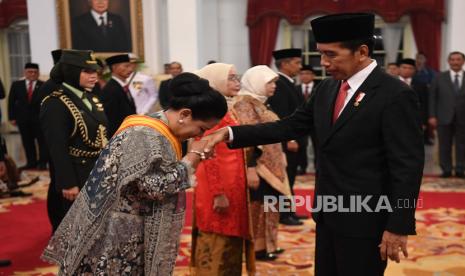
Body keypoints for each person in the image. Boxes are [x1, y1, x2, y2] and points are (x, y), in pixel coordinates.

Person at [203, 13, 424, 275]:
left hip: (367, 219)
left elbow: (407, 166)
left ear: (362, 52)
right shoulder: (327, 88)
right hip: (329, 213)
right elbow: (289, 126)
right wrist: (230, 133)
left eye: (331, 54)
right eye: (321, 54)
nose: (323, 63)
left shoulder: (395, 94)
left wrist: (398, 225)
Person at [42, 72, 228, 275]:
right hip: (116, 233)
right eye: (201, 128)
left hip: (132, 226)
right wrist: (192, 158)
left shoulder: (160, 128)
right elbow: (151, 188)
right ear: (184, 114)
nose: (200, 135)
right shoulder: (143, 134)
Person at [190, 63, 254, 275]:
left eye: (238, 77)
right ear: (215, 80)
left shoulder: (228, 108)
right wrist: (218, 193)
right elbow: (208, 157)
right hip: (218, 191)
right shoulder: (211, 112)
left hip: (233, 189)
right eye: (231, 78)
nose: (237, 82)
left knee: (230, 245)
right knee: (216, 243)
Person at [40, 50, 109, 229]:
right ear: (71, 71)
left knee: (97, 224)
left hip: (98, 170)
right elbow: (57, 147)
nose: (94, 76)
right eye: (87, 71)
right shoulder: (56, 103)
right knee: (78, 228)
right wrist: (67, 182)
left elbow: (102, 134)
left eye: (95, 72)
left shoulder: (91, 98)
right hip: (77, 173)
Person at [233, 65, 291, 261]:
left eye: (274, 82)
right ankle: (257, 248)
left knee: (271, 205)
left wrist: (280, 154)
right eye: (270, 82)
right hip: (258, 166)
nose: (274, 86)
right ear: (256, 82)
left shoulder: (261, 103)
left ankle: (269, 245)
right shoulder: (244, 104)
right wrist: (250, 168)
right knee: (259, 206)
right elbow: (248, 139)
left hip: (270, 164)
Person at [268, 48, 304, 226]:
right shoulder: (280, 84)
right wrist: (289, 139)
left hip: (294, 139)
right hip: (287, 142)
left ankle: (290, 211)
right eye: (296, 62)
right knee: (285, 178)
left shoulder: (289, 82)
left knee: (290, 177)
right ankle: (284, 214)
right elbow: (282, 115)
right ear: (285, 64)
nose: (300, 66)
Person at [429, 51, 465, 178]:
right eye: (453, 59)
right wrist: (432, 115)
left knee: (462, 144)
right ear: (448, 61)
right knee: (444, 145)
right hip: (443, 116)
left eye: (458, 59)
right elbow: (433, 97)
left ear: (463, 61)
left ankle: (460, 169)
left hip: (463, 118)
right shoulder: (439, 77)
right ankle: (446, 169)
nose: (455, 62)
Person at [8, 62, 46, 169]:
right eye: (30, 72)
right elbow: (11, 102)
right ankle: (31, 162)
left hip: (39, 119)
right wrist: (12, 117)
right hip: (23, 119)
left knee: (42, 142)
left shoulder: (43, 85)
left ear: (38, 73)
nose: (33, 74)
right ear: (25, 72)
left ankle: (42, 163)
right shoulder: (16, 85)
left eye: (35, 72)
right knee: (27, 142)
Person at [101, 54, 136, 137]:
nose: (130, 69)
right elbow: (110, 119)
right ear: (114, 67)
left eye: (131, 66)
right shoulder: (111, 89)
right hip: (119, 137)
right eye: (126, 66)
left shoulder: (121, 85)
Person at [398, 58, 432, 145]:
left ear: (414, 70)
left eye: (410, 68)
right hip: (393, 120)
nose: (407, 70)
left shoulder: (421, 85)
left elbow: (425, 104)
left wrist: (423, 122)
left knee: (413, 145)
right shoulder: (389, 83)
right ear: (399, 68)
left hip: (414, 121)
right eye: (404, 67)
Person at [296, 65, 318, 175]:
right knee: (302, 145)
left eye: (307, 73)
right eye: (302, 74)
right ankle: (302, 167)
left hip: (317, 123)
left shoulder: (320, 87)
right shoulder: (295, 89)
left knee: (318, 145)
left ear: (313, 75)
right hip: (301, 123)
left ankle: (318, 167)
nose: (304, 76)